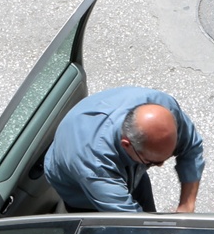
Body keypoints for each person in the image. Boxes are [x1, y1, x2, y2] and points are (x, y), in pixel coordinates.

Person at [43, 87, 204, 214]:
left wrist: (186, 205)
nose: (161, 165)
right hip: (80, 191)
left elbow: (191, 148)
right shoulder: (95, 163)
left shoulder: (164, 107)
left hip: (128, 168)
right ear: (126, 144)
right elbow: (131, 220)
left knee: (145, 211)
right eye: (153, 162)